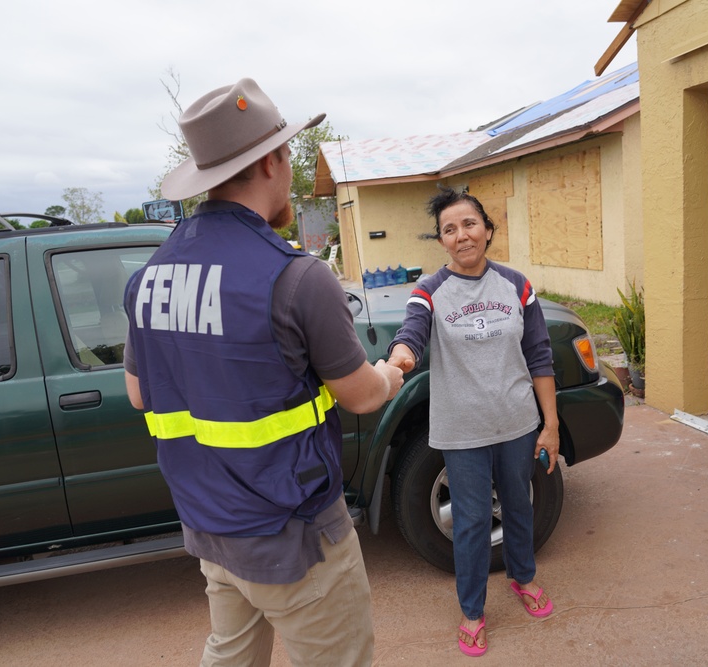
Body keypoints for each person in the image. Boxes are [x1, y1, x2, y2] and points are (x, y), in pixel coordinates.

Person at [123, 78, 404, 666]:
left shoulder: (148, 277)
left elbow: (140, 395)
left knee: (230, 654)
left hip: (211, 529)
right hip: (296, 539)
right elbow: (360, 397)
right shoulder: (297, 277)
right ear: (274, 160)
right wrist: (392, 373)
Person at [387, 186, 558, 657]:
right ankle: (473, 612)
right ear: (441, 241)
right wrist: (400, 357)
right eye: (449, 229)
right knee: (471, 521)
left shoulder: (516, 285)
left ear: (486, 229)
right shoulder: (430, 290)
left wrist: (551, 425)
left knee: (520, 508)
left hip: (518, 423)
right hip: (461, 432)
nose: (461, 235)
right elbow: (412, 331)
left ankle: (523, 578)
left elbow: (539, 356)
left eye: (468, 224)